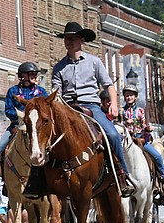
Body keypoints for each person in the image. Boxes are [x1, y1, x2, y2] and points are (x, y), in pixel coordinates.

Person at [50, 21, 135, 194]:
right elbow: (56, 92)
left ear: (81, 40)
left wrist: (114, 104)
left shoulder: (94, 62)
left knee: (112, 134)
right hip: (67, 109)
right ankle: (41, 180)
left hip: (91, 107)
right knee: (45, 137)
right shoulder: (59, 68)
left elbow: (108, 85)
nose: (68, 42)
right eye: (66, 39)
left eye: (72, 38)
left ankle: (122, 175)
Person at [0, 62, 48, 170]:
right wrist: (21, 117)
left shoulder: (41, 92)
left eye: (36, 74)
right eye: (32, 74)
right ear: (23, 76)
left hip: (37, 128)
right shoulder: (12, 91)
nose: (35, 76)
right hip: (16, 126)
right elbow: (8, 110)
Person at [121, 85, 164, 194]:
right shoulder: (121, 112)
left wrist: (147, 128)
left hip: (140, 140)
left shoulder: (140, 111)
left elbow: (143, 125)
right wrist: (124, 122)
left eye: (131, 95)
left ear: (135, 97)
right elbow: (118, 125)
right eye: (127, 95)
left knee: (157, 157)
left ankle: (161, 180)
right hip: (126, 141)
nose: (129, 97)